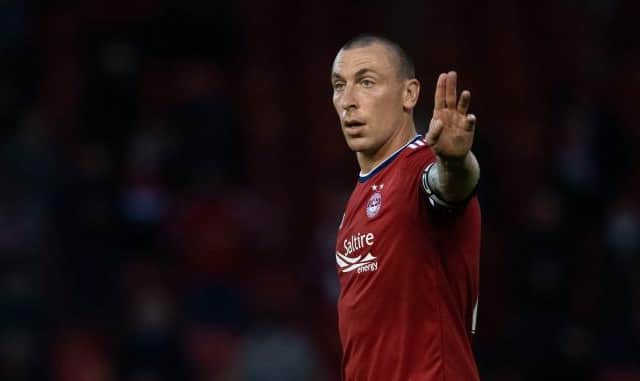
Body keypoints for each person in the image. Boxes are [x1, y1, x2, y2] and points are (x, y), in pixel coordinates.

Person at [331, 34, 481, 380]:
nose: (348, 101)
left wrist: (457, 162)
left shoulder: (419, 169)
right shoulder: (360, 194)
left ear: (409, 94)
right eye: (339, 86)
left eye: (366, 82)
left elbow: (451, 185)